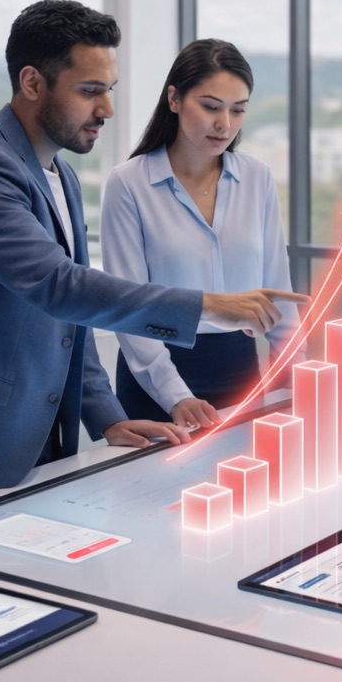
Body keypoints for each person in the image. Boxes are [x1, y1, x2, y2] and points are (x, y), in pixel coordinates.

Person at [0, 0, 304, 515]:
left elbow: (70, 322)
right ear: (32, 83)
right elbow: (60, 287)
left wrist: (106, 416)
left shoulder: (60, 174)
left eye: (109, 91)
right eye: (90, 91)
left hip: (33, 440)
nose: (108, 110)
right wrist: (209, 305)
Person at [101, 39, 300, 430]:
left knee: (246, 487)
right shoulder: (128, 184)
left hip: (241, 368)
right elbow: (128, 305)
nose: (224, 123)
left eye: (238, 110)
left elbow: (279, 291)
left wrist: (298, 374)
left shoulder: (257, 177)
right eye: (210, 107)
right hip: (155, 379)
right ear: (174, 99)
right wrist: (176, 395)